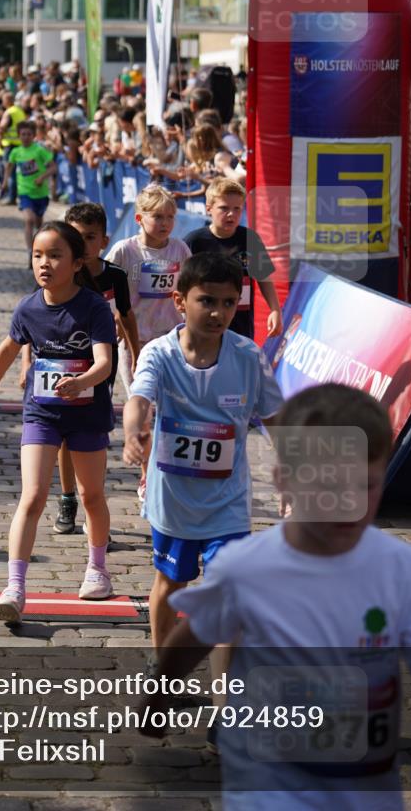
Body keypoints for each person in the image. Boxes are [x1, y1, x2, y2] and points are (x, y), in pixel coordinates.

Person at [139, 383, 411, 811]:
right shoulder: (245, 568)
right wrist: (159, 695)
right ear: (284, 480)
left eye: (366, 486)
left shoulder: (402, 572)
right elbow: (194, 636)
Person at [123, 252, 283, 652]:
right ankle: (163, 671)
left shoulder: (248, 356)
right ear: (180, 301)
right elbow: (139, 399)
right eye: (207, 301)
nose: (219, 312)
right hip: (174, 501)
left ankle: (224, 697)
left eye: (229, 302)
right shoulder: (159, 353)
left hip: (227, 503)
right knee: (172, 583)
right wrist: (132, 433)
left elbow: (278, 418)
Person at [0, 221, 117, 623]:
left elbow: (104, 361)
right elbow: (10, 344)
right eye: (37, 255)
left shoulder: (94, 307)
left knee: (91, 497)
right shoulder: (28, 306)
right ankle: (14, 587)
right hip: (42, 413)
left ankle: (97, 569)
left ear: (76, 263)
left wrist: (83, 380)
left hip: (87, 413)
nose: (44, 264)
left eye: (54, 255)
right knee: (32, 496)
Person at [52, 201, 140, 534]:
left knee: (93, 436)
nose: (83, 245)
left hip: (102, 366)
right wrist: (27, 363)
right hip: (64, 364)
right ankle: (67, 496)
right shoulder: (61, 274)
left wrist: (136, 352)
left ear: (103, 240)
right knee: (64, 436)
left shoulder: (115, 276)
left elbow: (128, 317)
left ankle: (93, 499)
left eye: (90, 237)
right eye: (75, 237)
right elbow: (37, 320)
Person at [107, 184, 192, 500]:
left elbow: (189, 290)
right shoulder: (124, 251)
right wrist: (113, 316)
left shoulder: (180, 250)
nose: (166, 223)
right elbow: (103, 289)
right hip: (135, 341)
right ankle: (146, 476)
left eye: (171, 216)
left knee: (169, 407)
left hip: (171, 341)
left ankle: (161, 470)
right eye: (158, 216)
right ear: (140, 217)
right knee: (143, 409)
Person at [185, 179, 282, 341]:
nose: (231, 214)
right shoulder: (194, 241)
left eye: (237, 209)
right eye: (224, 208)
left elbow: (263, 276)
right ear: (209, 209)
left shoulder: (250, 239)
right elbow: (181, 283)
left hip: (240, 326)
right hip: (203, 324)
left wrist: (275, 309)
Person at [2, 120, 56, 264]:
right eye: (23, 134)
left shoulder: (39, 150)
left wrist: (42, 177)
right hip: (24, 192)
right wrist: (5, 182)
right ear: (19, 136)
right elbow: (9, 167)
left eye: (28, 134)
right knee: (29, 220)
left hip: (41, 193)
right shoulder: (15, 152)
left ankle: (40, 248)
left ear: (33, 135)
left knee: (39, 224)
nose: (25, 137)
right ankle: (30, 252)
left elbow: (53, 167)